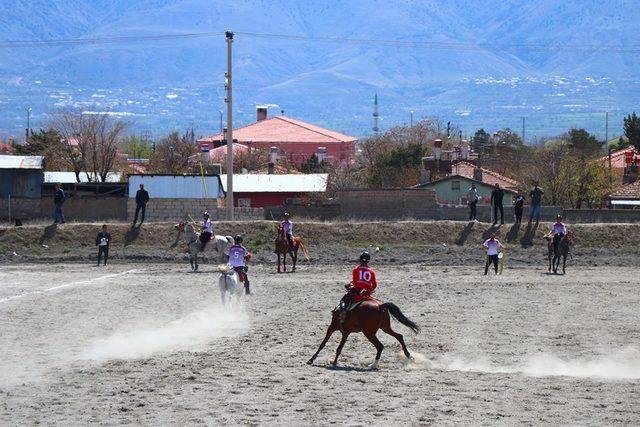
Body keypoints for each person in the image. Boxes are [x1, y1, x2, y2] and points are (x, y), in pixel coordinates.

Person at [340, 251, 377, 316]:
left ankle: (343, 314)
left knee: (343, 300)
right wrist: (369, 290)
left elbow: (355, 283)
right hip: (366, 294)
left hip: (357, 294)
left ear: (360, 260)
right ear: (368, 261)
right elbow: (374, 285)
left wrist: (350, 286)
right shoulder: (372, 271)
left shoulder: (356, 269)